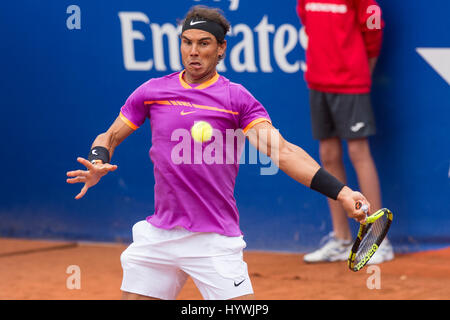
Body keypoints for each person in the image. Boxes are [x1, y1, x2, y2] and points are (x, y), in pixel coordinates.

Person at [67, 5, 369, 300]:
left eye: (203, 43)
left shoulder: (236, 99)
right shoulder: (153, 92)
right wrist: (98, 160)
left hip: (213, 238)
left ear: (221, 48)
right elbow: (109, 136)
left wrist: (341, 193)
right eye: (187, 43)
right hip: (159, 235)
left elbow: (283, 152)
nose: (193, 51)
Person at [296, 0, 394, 264]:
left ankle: (377, 240)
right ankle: (340, 239)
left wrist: (365, 69)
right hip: (317, 80)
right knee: (327, 154)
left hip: (352, 81)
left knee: (357, 150)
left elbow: (374, 28)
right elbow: (307, 21)